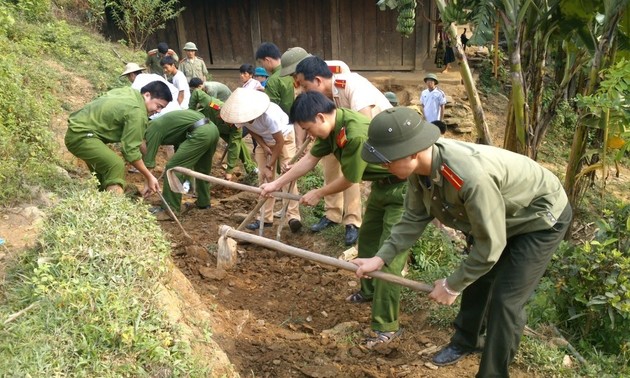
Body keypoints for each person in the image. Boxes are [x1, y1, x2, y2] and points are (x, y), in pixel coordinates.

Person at [353, 107, 572, 377]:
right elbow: (413, 217)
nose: (383, 166)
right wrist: (381, 257)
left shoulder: (469, 177)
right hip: (500, 216)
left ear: (412, 151)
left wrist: (451, 285)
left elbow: (490, 246)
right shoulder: (419, 170)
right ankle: (466, 341)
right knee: (478, 280)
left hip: (538, 218)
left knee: (505, 301)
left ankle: (493, 372)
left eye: (387, 160)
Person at [260, 92, 409, 348]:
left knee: (389, 257)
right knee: (368, 242)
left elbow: (351, 179)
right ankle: (368, 291)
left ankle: (387, 327)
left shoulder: (353, 133)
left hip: (405, 189)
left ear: (319, 117)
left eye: (308, 129)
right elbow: (308, 160)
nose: (310, 135)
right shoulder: (331, 128)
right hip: (382, 187)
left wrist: (319, 192)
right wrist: (275, 184)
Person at [294, 56, 393, 246]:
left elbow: (365, 124)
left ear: (318, 81)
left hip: (374, 139)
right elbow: (310, 158)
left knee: (350, 172)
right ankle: (332, 213)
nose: (304, 92)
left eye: (305, 87)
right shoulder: (324, 99)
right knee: (330, 166)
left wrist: (318, 192)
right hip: (340, 134)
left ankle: (352, 220)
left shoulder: (351, 85)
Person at [64, 81, 172, 195]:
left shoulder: (128, 92)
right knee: (116, 165)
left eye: (161, 108)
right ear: (147, 95)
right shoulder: (138, 112)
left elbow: (137, 140)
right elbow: (130, 151)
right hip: (81, 136)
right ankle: (114, 208)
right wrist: (149, 176)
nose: (158, 111)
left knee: (104, 173)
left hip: (79, 131)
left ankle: (100, 200)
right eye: (158, 106)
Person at [220, 88, 302, 233]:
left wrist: (270, 165)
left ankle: (293, 217)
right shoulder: (241, 117)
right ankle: (265, 218)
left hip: (284, 138)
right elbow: (252, 130)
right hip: (264, 141)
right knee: (263, 180)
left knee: (288, 176)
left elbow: (279, 142)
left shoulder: (268, 115)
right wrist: (263, 146)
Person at [142, 109, 219, 220]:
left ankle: (170, 210)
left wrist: (147, 184)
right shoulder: (163, 124)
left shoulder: (151, 130)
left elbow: (149, 162)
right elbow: (180, 142)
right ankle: (204, 202)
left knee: (172, 169)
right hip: (212, 130)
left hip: (200, 133)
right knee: (202, 169)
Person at [189, 78, 258, 181]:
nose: (232, 122)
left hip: (224, 130)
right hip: (205, 123)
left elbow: (233, 147)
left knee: (237, 144)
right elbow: (197, 93)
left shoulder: (236, 127)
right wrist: (191, 111)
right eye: (230, 119)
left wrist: (229, 171)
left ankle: (251, 168)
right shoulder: (214, 105)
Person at [255, 42, 295, 116]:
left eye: (261, 62)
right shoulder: (293, 71)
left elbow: (271, 110)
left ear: (267, 60)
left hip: (286, 120)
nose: (263, 66)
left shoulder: (273, 80)